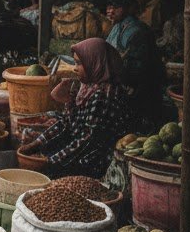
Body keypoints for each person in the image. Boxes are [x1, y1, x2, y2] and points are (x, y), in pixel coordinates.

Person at [29, 38, 135, 178]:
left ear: (96, 64)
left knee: (48, 171)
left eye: (79, 63)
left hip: (97, 161)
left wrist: (51, 161)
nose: (74, 68)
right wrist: (37, 143)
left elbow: (88, 139)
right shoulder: (88, 87)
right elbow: (66, 122)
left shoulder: (104, 95)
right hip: (80, 150)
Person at [105, 0, 165, 125]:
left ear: (128, 8)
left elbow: (138, 70)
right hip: (121, 79)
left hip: (140, 89)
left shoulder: (137, 31)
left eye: (116, 7)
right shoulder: (117, 26)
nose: (110, 11)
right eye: (109, 6)